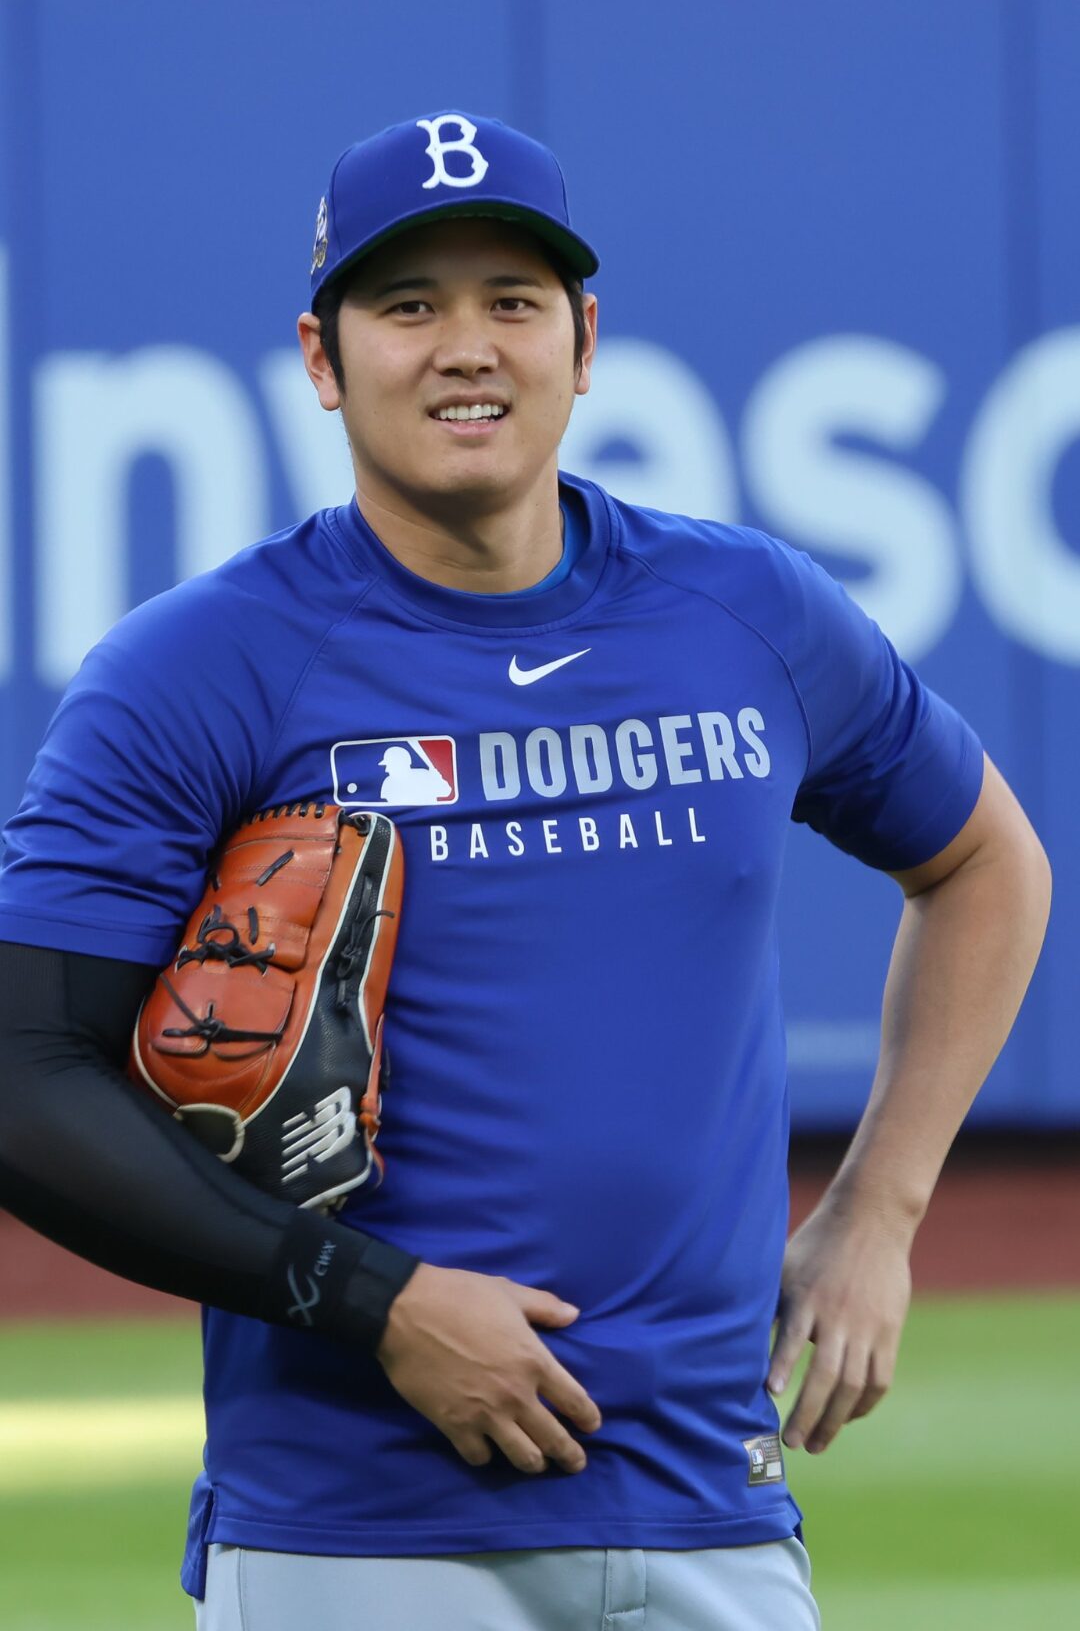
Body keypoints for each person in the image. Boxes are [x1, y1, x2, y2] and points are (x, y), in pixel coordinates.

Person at [0, 111, 1051, 1631]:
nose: (466, 347)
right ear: (321, 358)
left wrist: (880, 1212)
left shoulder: (747, 615)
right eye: (406, 305)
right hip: (358, 1531)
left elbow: (986, 863)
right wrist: (375, 1304)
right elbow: (25, 1074)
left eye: (512, 299)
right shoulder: (201, 667)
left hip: (715, 1504)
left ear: (584, 339)